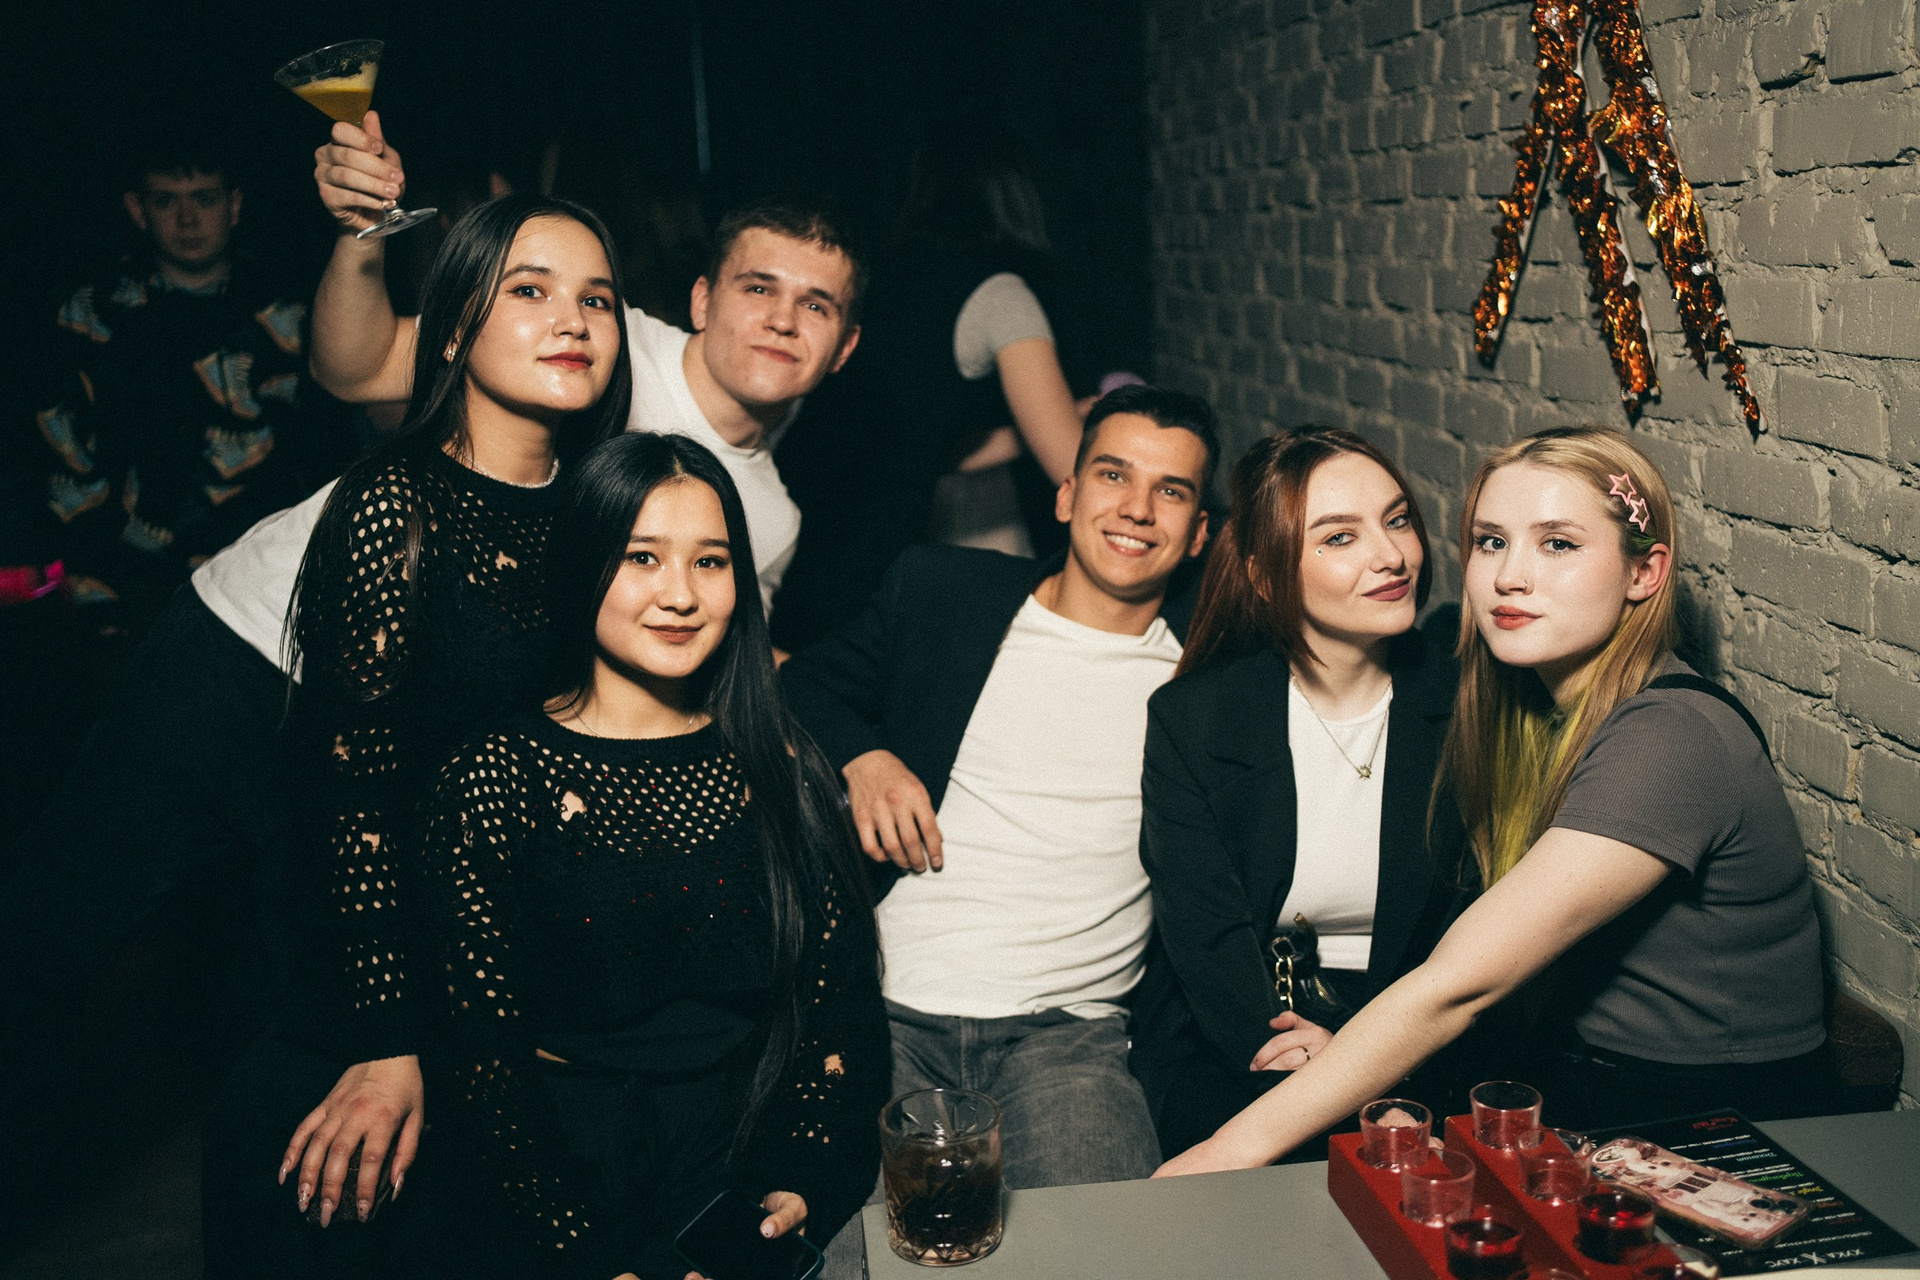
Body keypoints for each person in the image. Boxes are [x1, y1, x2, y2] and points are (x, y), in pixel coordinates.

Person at [1157, 426, 1836, 1176]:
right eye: (1491, 542)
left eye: (1558, 544)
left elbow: (1459, 984)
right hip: (1578, 1085)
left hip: (1713, 1120)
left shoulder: (1671, 735)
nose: (1511, 577)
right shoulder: (1529, 709)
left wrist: (1227, 1150)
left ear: (1644, 572)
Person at [198, 192, 632, 1277]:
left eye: (597, 299)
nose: (572, 320)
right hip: (370, 985)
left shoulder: (600, 511)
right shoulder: (396, 505)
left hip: (513, 987)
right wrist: (386, 1043)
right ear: (449, 332)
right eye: (529, 290)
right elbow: (352, 798)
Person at [420, 431, 887, 1280]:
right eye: (643, 557)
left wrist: (797, 1179)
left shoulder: (779, 766)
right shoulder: (497, 774)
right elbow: (475, 1059)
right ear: (582, 566)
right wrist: (582, 1255)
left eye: (710, 562)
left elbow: (837, 1007)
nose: (680, 595)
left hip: (736, 1166)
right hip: (550, 1174)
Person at [780, 384, 1216, 1264]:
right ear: (1066, 494)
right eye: (1113, 475)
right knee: (847, 1255)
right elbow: (799, 685)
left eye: (1171, 490)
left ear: (1200, 532)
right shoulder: (945, 591)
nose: (1137, 508)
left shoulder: (1210, 678)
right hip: (885, 1014)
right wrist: (865, 757)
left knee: (1114, 1258)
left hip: (1071, 1039)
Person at [306, 109, 862, 621]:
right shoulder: (593, 339)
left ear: (845, 347)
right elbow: (358, 370)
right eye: (758, 288)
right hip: (311, 592)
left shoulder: (773, 520)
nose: (782, 320)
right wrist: (359, 235)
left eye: (816, 306)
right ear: (702, 301)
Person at [1129, 427, 1471, 1160]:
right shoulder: (1196, 719)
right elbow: (1206, 936)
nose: (1391, 555)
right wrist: (1295, 1057)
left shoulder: (1465, 702)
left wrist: (1367, 1060)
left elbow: (1473, 934)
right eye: (1340, 537)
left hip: (1415, 1036)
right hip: (1242, 1033)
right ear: (1265, 576)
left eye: (1397, 520)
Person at [770, 123, 1090, 651]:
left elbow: (915, 442)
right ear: (1019, 193)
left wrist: (1043, 421)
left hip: (801, 532)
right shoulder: (1001, 294)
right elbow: (1073, 471)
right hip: (873, 570)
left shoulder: (878, 274)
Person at [27, 138, 345, 634]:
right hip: (125, 585)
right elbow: (62, 455)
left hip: (265, 583)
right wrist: (89, 586)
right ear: (138, 209)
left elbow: (326, 445)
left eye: (204, 198)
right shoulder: (90, 314)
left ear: (233, 205)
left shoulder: (293, 309)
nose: (187, 219)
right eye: (165, 200)